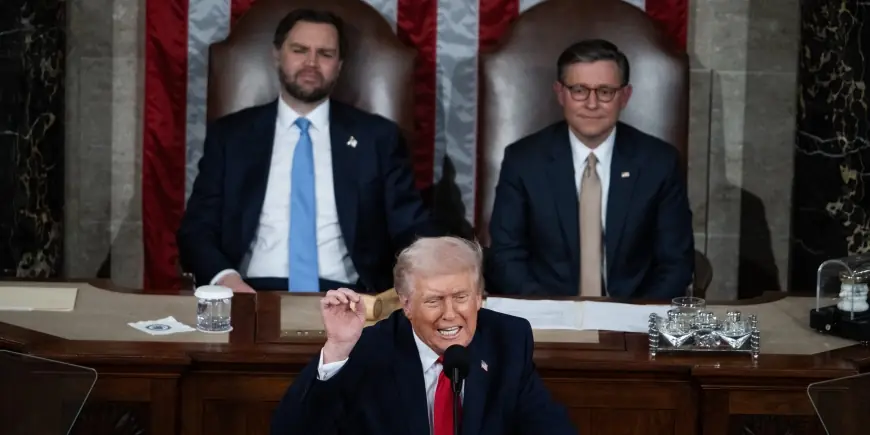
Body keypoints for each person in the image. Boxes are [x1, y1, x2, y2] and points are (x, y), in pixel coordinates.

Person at [177, 8, 440, 293]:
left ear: (339, 65)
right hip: (249, 293)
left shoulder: (377, 138)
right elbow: (197, 229)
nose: (311, 63)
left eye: (325, 54)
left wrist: (442, 267)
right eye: (300, 50)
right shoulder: (231, 136)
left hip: (348, 297)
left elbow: (410, 228)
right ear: (277, 54)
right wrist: (227, 281)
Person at [270, 236, 577, 435]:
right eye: (433, 301)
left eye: (461, 297)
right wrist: (337, 349)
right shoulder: (372, 348)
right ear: (405, 304)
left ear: (479, 297)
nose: (450, 314)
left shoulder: (508, 341)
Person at [487, 39, 694, 299]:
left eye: (605, 91)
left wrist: (634, 316)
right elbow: (506, 257)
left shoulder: (659, 162)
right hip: (547, 316)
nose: (592, 103)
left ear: (625, 96)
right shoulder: (523, 161)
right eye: (579, 90)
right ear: (560, 93)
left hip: (632, 319)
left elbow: (675, 263)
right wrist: (551, 313)